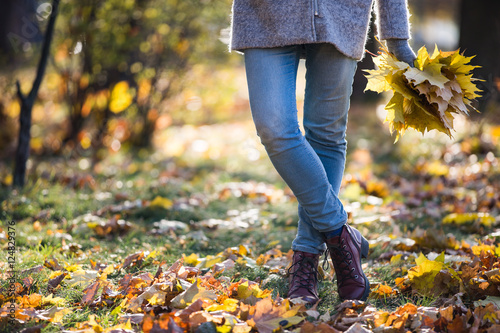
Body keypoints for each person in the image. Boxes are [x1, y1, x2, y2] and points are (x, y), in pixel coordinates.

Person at [229, 0, 416, 303]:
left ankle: (306, 254)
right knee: (275, 128)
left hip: (341, 12)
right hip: (264, 13)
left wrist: (396, 38)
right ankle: (341, 233)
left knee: (326, 135)